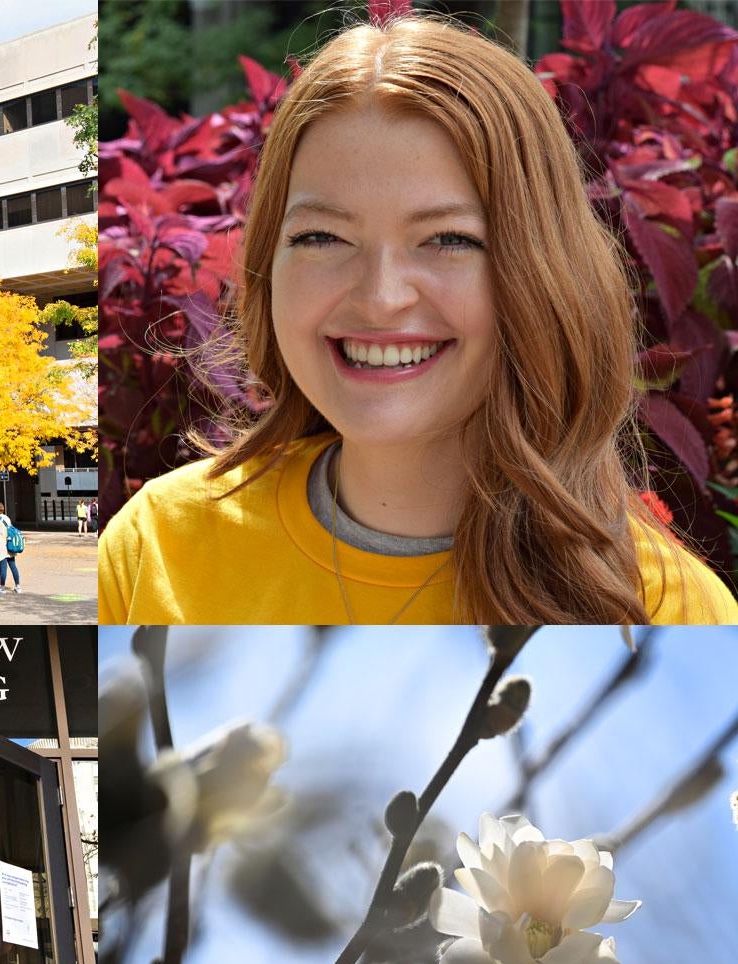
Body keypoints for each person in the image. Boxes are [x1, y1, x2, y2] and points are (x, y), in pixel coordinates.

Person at [98, 15, 738, 626]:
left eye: (449, 239)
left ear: (543, 269)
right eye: (322, 237)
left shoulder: (664, 609)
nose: (380, 297)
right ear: (268, 264)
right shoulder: (155, 547)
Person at [0, 502, 21, 593]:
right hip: (10, 544)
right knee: (13, 566)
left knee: (3, 567)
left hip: (2, 545)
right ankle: (18, 585)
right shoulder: (7, 518)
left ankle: (2, 587)